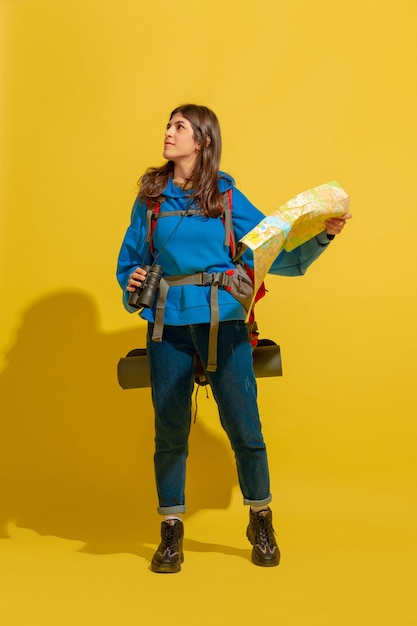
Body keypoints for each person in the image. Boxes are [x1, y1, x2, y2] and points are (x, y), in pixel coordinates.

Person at [116, 104, 351, 573]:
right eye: (168, 124)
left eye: (178, 127)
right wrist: (133, 279)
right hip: (169, 325)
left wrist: (322, 236)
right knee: (170, 431)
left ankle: (260, 518)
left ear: (201, 140)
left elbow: (273, 247)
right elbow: (128, 264)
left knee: (245, 428)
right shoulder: (151, 200)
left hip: (226, 322)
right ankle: (171, 531)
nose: (168, 132)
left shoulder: (226, 198)